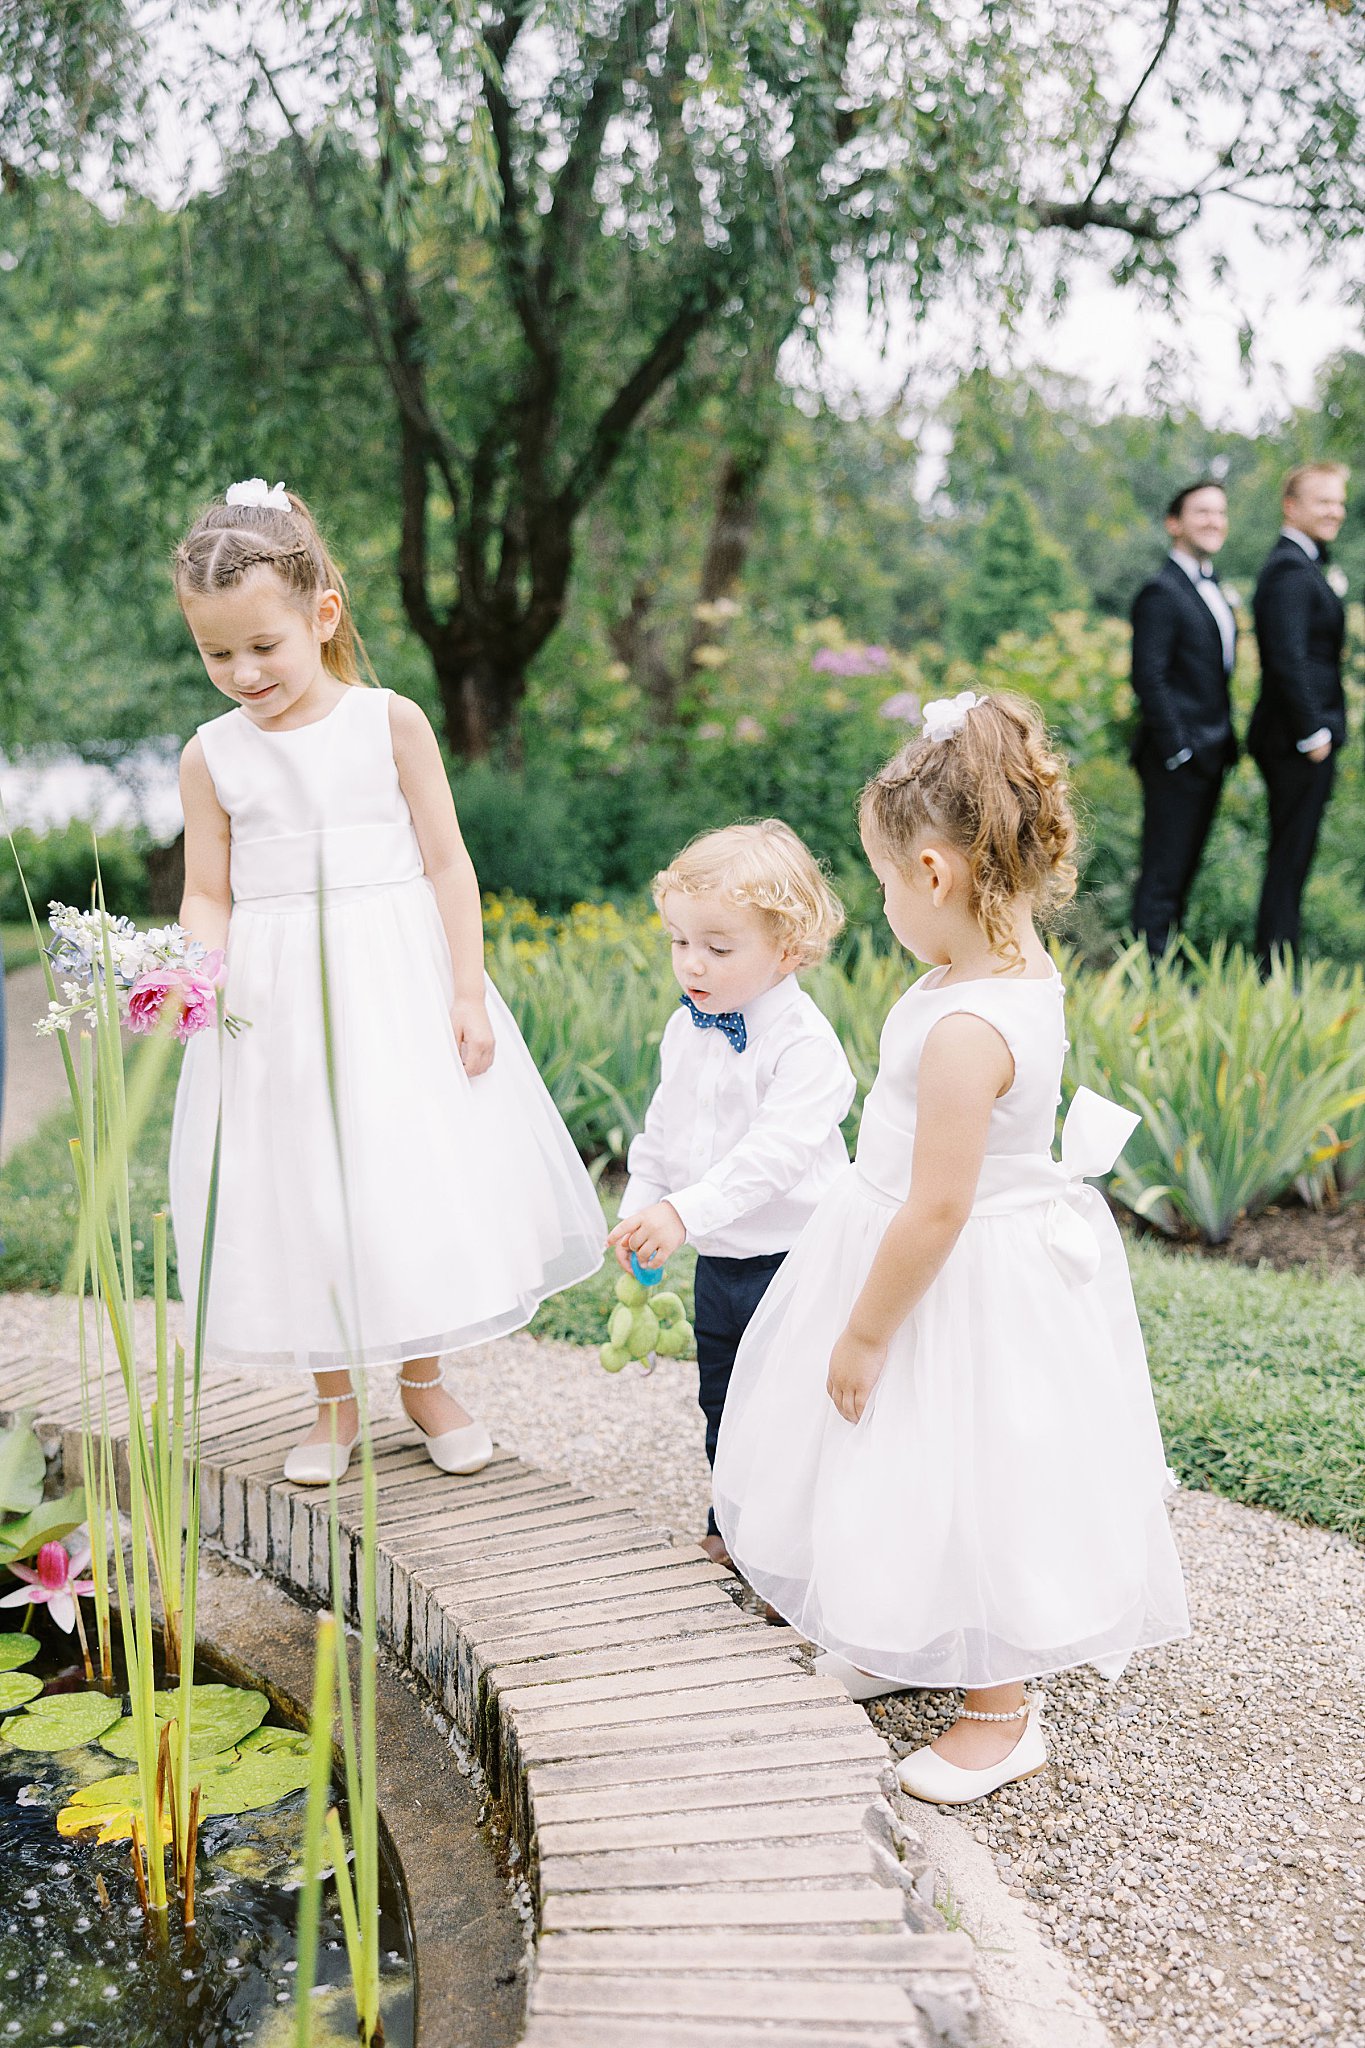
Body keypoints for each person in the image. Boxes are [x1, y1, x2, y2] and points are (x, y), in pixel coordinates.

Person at [713, 693, 1189, 1805]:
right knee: (894, 1467)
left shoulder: (970, 1027)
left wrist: (865, 1328)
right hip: (929, 1251)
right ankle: (897, 1632)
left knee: (974, 1476)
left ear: (932, 873)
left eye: (881, 882)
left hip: (950, 1283)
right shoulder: (994, 967)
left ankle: (999, 1708)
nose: (881, 903)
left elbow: (937, 1207)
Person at [168, 479, 604, 1484]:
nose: (242, 672)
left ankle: (422, 1374)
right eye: (216, 653)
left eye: (262, 646)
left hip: (392, 980)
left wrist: (464, 987)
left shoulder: (390, 722)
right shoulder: (211, 756)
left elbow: (448, 863)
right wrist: (197, 974)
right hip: (274, 1000)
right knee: (303, 1184)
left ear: (322, 616)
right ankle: (332, 1398)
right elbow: (208, 890)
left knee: (402, 1171)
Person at [607, 820, 855, 1566]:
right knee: (722, 1396)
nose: (692, 964)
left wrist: (683, 1211)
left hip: (799, 1261)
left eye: (717, 948)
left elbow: (770, 1158)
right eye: (679, 942)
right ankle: (732, 1519)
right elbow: (662, 1136)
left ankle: (797, 1551)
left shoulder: (803, 1046)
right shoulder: (684, 1032)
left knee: (791, 1408)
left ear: (790, 950)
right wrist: (639, 1212)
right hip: (721, 1261)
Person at [1129, 479, 1239, 957]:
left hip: (1211, 751)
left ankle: (1168, 961)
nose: (1214, 521)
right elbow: (1148, 677)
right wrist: (1179, 748)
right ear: (1174, 524)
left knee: (1186, 867)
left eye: (1220, 512)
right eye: (1201, 512)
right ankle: (1146, 970)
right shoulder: (1160, 590)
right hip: (1177, 756)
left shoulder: (1213, 586)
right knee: (1163, 869)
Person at [1248, 462, 1350, 968]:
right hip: (1296, 741)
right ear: (1292, 507)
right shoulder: (1289, 569)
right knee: (1289, 857)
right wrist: (1314, 732)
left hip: (1302, 739)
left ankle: (1279, 963)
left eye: (1339, 501)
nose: (1336, 510)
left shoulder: (1305, 563)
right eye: (1323, 501)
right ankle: (1274, 969)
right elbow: (1287, 656)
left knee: (1295, 856)